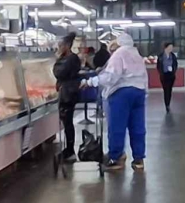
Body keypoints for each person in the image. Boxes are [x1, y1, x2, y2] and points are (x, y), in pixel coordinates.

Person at [85, 30, 147, 171]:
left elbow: (111, 77)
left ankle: (116, 157)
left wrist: (91, 81)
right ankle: (138, 159)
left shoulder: (119, 54)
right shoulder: (136, 54)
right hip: (139, 92)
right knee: (138, 127)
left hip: (121, 93)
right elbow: (144, 76)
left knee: (117, 127)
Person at [52, 32, 82, 160]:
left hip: (68, 94)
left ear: (67, 45)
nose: (59, 47)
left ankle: (70, 151)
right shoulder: (72, 58)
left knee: (67, 122)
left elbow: (59, 73)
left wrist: (57, 59)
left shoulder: (70, 59)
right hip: (68, 92)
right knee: (67, 122)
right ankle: (69, 150)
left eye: (61, 45)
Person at [156, 41, 179, 113]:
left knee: (169, 89)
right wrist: (161, 73)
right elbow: (158, 66)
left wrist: (174, 71)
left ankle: (168, 103)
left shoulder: (173, 56)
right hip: (164, 75)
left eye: (172, 47)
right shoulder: (161, 56)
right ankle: (167, 104)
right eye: (170, 47)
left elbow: (175, 64)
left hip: (171, 75)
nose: (171, 48)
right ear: (166, 48)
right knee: (166, 90)